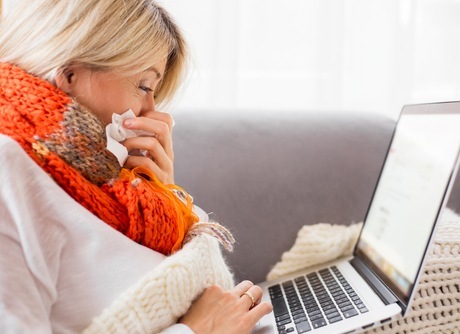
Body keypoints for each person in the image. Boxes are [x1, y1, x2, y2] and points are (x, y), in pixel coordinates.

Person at [0, 0, 272, 333]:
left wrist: (162, 195)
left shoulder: (101, 178)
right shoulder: (8, 167)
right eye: (144, 86)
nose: (152, 111)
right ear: (70, 74)